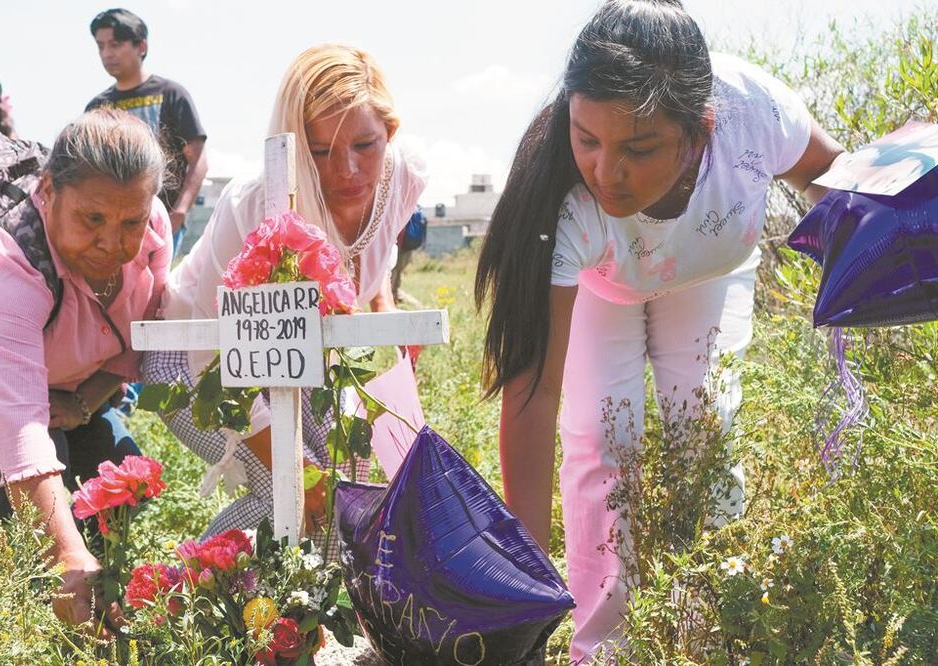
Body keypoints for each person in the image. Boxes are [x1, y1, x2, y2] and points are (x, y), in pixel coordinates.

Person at [474, 1, 845, 662]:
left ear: (698, 131)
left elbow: (835, 185)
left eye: (637, 149)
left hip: (707, 271)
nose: (605, 171)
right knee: (600, 441)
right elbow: (532, 400)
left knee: (701, 431)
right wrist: (522, 604)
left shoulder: (752, 114)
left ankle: (713, 632)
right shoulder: (561, 200)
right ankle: (602, 649)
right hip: (602, 282)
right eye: (586, 139)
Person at [143, 43, 427, 539]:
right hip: (196, 358)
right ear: (293, 142)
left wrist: (384, 311)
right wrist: (291, 462)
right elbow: (217, 348)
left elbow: (368, 257)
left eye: (365, 145)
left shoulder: (405, 178)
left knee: (350, 485)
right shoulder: (258, 200)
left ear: (391, 132)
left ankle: (313, 615)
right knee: (292, 491)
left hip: (298, 356)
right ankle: (189, 600)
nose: (347, 171)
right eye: (320, 151)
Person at [0, 108, 171, 631]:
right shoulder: (3, 263)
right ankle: (22, 604)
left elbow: (134, 343)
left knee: (122, 473)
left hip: (66, 384)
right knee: (48, 463)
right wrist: (65, 556)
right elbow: (21, 430)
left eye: (128, 222)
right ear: (47, 190)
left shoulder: (152, 225)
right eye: (92, 220)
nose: (113, 244)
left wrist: (86, 401)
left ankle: (100, 597)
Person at [85, 8, 207, 255]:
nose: (107, 54)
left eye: (115, 44)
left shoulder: (172, 95)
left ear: (141, 46)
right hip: (111, 226)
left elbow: (198, 161)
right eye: (101, 46)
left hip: (162, 222)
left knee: (157, 291)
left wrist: (179, 213)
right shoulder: (96, 107)